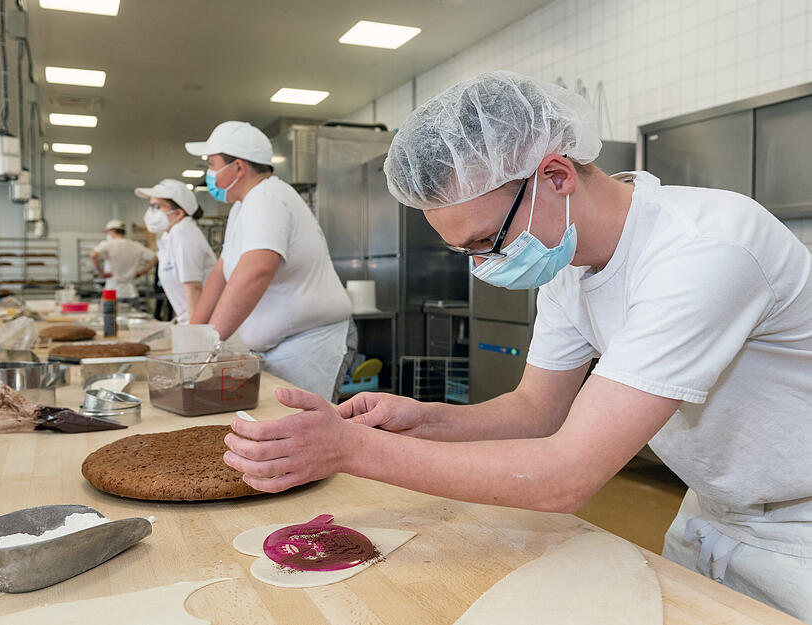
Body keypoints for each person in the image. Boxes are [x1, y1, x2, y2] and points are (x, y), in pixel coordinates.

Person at [220, 72, 812, 621]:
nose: (483, 267)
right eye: (466, 252)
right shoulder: (571, 266)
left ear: (556, 177)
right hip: (713, 512)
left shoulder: (703, 250)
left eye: (486, 240)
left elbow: (566, 476)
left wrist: (349, 451)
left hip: (799, 532)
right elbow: (535, 413)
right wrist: (425, 420)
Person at [185, 121, 355, 402]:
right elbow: (221, 272)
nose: (210, 174)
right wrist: (195, 338)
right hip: (284, 348)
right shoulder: (243, 206)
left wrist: (210, 344)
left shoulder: (268, 197)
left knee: (306, 436)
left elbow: (256, 270)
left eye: (212, 164)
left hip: (310, 346)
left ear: (238, 167)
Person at [134, 179, 217, 324]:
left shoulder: (183, 233)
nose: (150, 212)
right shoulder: (170, 235)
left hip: (206, 326)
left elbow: (194, 287)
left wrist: (195, 333)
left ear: (178, 213)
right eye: (151, 206)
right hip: (193, 321)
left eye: (156, 206)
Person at [89, 219, 157, 302]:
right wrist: (141, 272)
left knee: (110, 314)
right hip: (131, 292)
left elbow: (93, 255)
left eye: (107, 232)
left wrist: (101, 273)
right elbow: (155, 258)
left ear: (112, 231)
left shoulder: (107, 244)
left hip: (112, 291)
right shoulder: (136, 246)